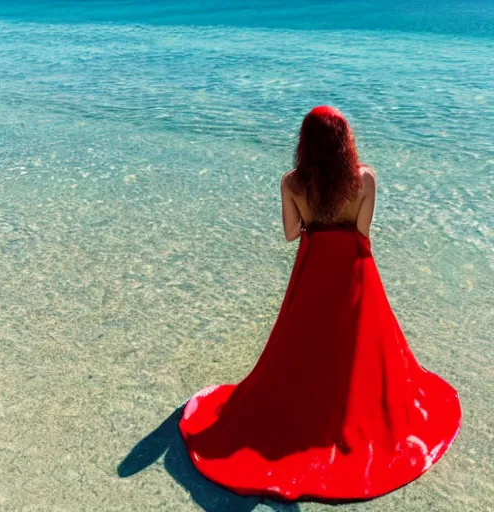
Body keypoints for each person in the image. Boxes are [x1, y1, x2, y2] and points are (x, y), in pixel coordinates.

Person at [178, 106, 461, 501]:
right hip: (352, 271)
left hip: (312, 270)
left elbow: (292, 234)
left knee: (303, 349)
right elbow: (362, 231)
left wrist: (313, 217)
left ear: (304, 143)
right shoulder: (364, 179)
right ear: (345, 141)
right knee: (357, 354)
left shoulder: (292, 182)